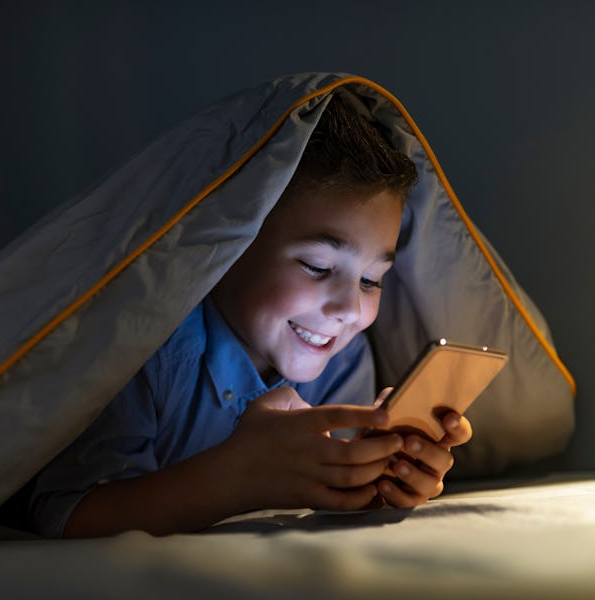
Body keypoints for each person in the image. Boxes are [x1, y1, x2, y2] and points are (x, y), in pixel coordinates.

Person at [27, 94, 473, 539]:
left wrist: (372, 477)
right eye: (317, 267)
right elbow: (70, 513)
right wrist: (237, 479)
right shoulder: (145, 347)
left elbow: (325, 498)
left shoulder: (342, 359)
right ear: (227, 248)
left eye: (372, 280)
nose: (349, 310)